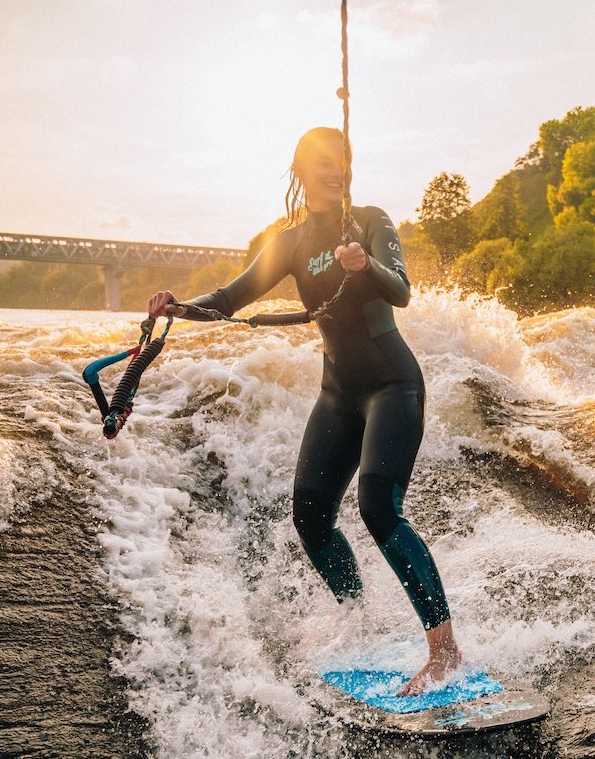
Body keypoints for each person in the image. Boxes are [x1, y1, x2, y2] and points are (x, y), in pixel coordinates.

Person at [147, 126, 458, 696]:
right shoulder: (289, 241)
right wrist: (179, 306)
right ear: (300, 167)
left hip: (392, 382)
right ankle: (358, 620)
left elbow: (402, 291)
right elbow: (230, 298)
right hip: (337, 392)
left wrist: (363, 265)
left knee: (377, 508)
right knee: (312, 515)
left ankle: (444, 651)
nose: (334, 169)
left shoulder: (369, 220)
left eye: (342, 159)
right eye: (322, 161)